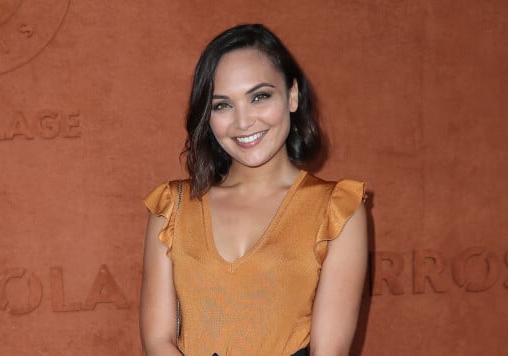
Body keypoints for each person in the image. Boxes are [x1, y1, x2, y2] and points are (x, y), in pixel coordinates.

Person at [140, 24, 368, 356]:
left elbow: (328, 351)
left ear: (291, 95)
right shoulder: (172, 207)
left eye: (259, 96)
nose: (243, 121)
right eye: (222, 105)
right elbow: (156, 342)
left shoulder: (337, 209)